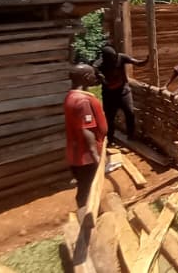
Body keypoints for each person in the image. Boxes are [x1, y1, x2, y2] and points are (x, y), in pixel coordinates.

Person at [63, 64, 108, 208]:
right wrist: (96, 157)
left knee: (84, 186)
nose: (95, 77)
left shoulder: (71, 96)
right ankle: (87, 217)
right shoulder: (82, 101)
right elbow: (86, 130)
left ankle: (87, 211)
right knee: (88, 189)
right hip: (86, 157)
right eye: (93, 75)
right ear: (87, 77)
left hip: (75, 154)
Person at [93, 44, 147, 142]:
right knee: (109, 117)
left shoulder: (121, 57)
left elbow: (137, 63)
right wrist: (100, 75)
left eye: (114, 56)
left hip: (123, 91)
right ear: (106, 58)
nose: (114, 58)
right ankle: (110, 138)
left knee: (130, 112)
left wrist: (146, 60)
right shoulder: (100, 63)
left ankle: (131, 135)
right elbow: (94, 68)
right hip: (109, 94)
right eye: (111, 57)